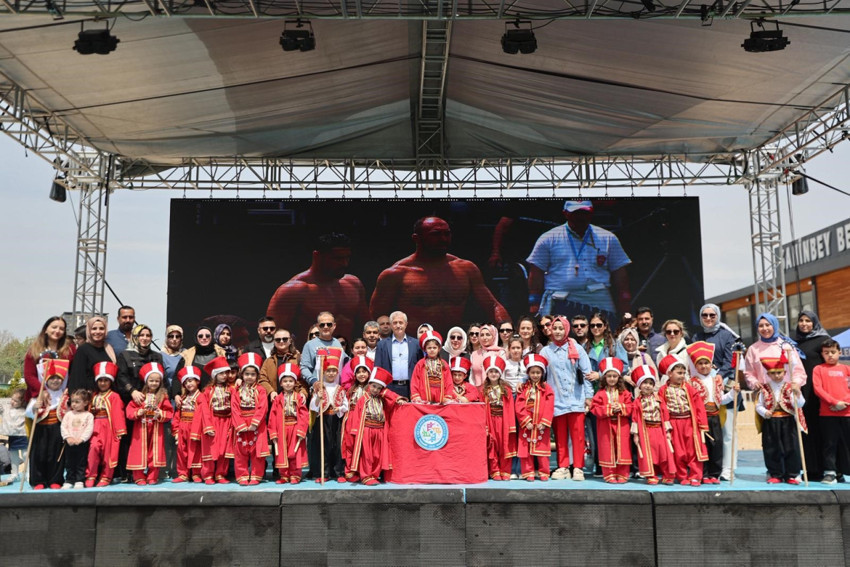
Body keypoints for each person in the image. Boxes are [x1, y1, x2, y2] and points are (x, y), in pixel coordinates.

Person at [370, 216, 510, 333]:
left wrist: (507, 333)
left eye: (447, 234)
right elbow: (376, 319)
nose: (443, 239)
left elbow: (492, 306)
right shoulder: (397, 274)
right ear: (416, 238)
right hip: (414, 348)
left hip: (453, 345)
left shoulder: (466, 269)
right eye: (435, 234)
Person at [527, 200, 631, 320]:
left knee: (604, 335)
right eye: (576, 213)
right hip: (560, 297)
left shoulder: (608, 238)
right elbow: (536, 272)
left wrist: (625, 306)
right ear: (565, 213)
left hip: (598, 296)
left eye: (584, 213)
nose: (580, 217)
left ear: (591, 213)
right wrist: (534, 302)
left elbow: (620, 273)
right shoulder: (548, 238)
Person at [267, 232, 370, 343]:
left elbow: (369, 327)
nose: (344, 264)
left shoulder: (353, 284)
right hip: (309, 358)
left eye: (347, 258)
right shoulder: (294, 290)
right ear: (317, 256)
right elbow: (274, 336)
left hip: (347, 357)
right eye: (338, 258)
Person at [691, 303, 741, 481]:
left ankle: (728, 469)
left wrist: (719, 376)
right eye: (705, 315)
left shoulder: (727, 336)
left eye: (712, 315)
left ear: (718, 316)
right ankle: (708, 469)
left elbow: (730, 361)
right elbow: (693, 361)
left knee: (727, 431)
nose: (709, 318)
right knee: (707, 433)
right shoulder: (697, 336)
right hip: (703, 388)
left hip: (724, 384)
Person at [542, 316, 593, 481]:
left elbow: (587, 375)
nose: (557, 332)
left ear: (566, 329)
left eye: (560, 328)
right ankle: (563, 466)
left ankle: (578, 467)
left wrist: (588, 397)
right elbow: (538, 375)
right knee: (560, 435)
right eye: (555, 328)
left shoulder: (577, 349)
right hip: (556, 401)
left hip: (576, 399)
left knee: (578, 436)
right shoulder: (545, 351)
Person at [687, 342, 738, 484]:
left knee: (716, 446)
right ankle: (703, 474)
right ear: (696, 366)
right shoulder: (691, 383)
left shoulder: (716, 381)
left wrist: (733, 392)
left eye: (706, 363)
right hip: (700, 419)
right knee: (702, 447)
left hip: (714, 417)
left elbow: (721, 400)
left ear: (712, 365)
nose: (704, 366)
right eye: (700, 363)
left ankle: (715, 474)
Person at [658, 354, 708, 486]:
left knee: (693, 450)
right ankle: (682, 476)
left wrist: (701, 424)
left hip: (689, 422)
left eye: (684, 373)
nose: (682, 376)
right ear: (669, 373)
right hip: (674, 423)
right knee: (678, 451)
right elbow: (662, 409)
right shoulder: (663, 391)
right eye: (679, 373)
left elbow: (699, 407)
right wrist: (666, 426)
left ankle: (696, 476)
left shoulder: (689, 388)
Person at [756, 354, 806, 484]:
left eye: (779, 372)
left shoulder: (791, 387)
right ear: (768, 374)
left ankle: (792, 474)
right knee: (772, 448)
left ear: (784, 372)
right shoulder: (764, 388)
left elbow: (800, 405)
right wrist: (764, 412)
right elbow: (758, 405)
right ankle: (775, 474)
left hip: (788, 421)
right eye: (773, 373)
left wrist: (798, 393)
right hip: (771, 422)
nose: (776, 375)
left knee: (792, 447)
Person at [346, 367, 399, 486]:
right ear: (369, 384)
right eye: (374, 386)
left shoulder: (382, 400)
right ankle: (366, 476)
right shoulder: (363, 399)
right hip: (366, 430)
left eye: (379, 388)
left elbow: (392, 401)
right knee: (367, 455)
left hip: (379, 430)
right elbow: (357, 416)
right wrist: (355, 430)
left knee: (377, 455)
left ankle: (374, 475)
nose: (375, 390)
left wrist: (391, 396)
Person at [795, 310, 831, 481]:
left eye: (808, 321)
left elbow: (831, 365)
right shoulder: (795, 342)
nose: (804, 324)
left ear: (815, 322)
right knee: (806, 430)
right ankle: (811, 469)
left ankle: (830, 469)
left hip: (818, 392)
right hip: (802, 392)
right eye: (801, 320)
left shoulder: (824, 341)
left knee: (823, 430)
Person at [125, 362, 172, 485]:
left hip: (156, 429)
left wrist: (160, 413)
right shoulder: (140, 396)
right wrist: (138, 411)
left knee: (154, 452)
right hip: (141, 428)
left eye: (157, 381)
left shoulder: (163, 396)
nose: (154, 383)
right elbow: (129, 411)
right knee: (138, 451)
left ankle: (152, 476)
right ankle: (139, 476)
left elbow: (169, 412)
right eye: (151, 380)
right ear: (146, 381)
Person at [26, 358, 69, 489]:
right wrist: (35, 407)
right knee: (39, 454)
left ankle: (55, 479)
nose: (55, 381)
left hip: (57, 428)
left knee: (56, 455)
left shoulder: (65, 395)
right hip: (41, 429)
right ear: (46, 380)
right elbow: (28, 413)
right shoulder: (40, 394)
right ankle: (38, 481)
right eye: (52, 378)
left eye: (58, 378)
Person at [812, 339, 850, 484]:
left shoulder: (846, 370)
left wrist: (844, 404)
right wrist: (834, 403)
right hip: (827, 414)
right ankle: (830, 472)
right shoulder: (818, 369)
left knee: (846, 443)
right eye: (826, 353)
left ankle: (842, 470)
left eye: (833, 352)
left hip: (847, 413)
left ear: (839, 353)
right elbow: (818, 389)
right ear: (822, 354)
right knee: (829, 443)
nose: (830, 356)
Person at [630, 365, 676, 485]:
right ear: (640, 385)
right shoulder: (637, 401)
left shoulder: (659, 399)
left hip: (659, 430)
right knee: (649, 453)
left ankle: (668, 474)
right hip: (645, 431)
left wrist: (667, 431)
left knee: (664, 452)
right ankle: (651, 475)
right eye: (645, 383)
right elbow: (634, 418)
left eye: (651, 383)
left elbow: (665, 414)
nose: (648, 385)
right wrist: (636, 435)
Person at [590, 358, 633, 484]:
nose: (612, 379)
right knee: (606, 448)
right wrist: (608, 409)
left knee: (623, 448)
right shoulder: (600, 393)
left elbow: (631, 407)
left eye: (614, 376)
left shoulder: (624, 393)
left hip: (621, 424)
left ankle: (622, 473)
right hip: (605, 424)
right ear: (604, 378)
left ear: (619, 377)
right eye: (609, 376)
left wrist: (621, 407)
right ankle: (609, 474)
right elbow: (594, 408)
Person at [84, 362, 126, 487]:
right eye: (100, 380)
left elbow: (118, 414)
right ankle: (91, 475)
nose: (103, 383)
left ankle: (106, 476)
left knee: (109, 452)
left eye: (106, 380)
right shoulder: (93, 395)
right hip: (95, 425)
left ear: (110, 382)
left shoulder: (114, 396)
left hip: (109, 426)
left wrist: (119, 431)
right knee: (93, 448)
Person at [308, 351, 348, 483]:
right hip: (323, 420)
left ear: (337, 373)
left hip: (336, 420)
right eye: (328, 371)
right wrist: (318, 399)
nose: (331, 373)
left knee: (337, 446)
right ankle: (323, 473)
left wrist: (340, 409)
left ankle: (338, 472)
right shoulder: (320, 388)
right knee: (323, 445)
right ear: (323, 372)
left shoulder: (341, 389)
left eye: (333, 371)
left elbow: (345, 405)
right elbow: (313, 406)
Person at [231, 353, 270, 485]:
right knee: (240, 451)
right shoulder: (237, 390)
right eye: (247, 374)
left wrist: (255, 423)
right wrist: (240, 424)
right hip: (241, 422)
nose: (249, 377)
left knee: (256, 451)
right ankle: (242, 475)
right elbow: (234, 408)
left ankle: (256, 476)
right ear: (242, 375)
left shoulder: (261, 390)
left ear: (257, 376)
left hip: (256, 424)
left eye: (253, 374)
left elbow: (262, 407)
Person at [268, 363, 309, 484]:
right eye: (285, 381)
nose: (288, 383)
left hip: (295, 427)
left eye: (290, 381)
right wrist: (273, 432)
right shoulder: (278, 399)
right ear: (281, 383)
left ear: (295, 382)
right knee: (282, 452)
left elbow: (304, 414)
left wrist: (301, 430)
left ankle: (295, 475)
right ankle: (284, 475)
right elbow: (272, 416)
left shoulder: (299, 397)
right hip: (282, 428)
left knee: (294, 452)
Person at [516, 354, 554, 482]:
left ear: (542, 373)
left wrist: (545, 421)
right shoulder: (523, 389)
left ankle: (544, 471)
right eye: (533, 372)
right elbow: (519, 405)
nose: (535, 375)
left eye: (538, 372)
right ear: (528, 373)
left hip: (540, 424)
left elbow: (549, 406)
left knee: (542, 448)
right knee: (525, 449)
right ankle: (528, 472)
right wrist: (525, 421)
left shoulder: (546, 388)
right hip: (527, 424)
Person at [744, 313, 807, 391]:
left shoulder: (786, 346)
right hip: (764, 395)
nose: (764, 328)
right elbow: (749, 373)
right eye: (761, 326)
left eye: (768, 325)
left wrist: (796, 383)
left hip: (787, 393)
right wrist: (754, 382)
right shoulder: (753, 349)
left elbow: (798, 370)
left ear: (774, 325)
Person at [199, 357, 236, 484]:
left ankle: (221, 474)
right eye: (221, 373)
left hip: (226, 421)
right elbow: (204, 409)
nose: (224, 376)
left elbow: (235, 406)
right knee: (210, 448)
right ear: (215, 375)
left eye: (226, 373)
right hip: (213, 420)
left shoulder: (231, 390)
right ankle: (208, 475)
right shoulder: (207, 391)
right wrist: (208, 426)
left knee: (224, 449)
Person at [480, 355, 517, 481]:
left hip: (503, 420)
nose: (494, 374)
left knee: (504, 444)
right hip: (490, 420)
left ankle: (505, 470)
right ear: (487, 373)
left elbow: (510, 407)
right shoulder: (482, 390)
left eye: (496, 371)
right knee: (492, 444)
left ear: (500, 373)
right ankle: (494, 470)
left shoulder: (506, 389)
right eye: (491, 371)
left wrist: (511, 424)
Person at [24, 316, 77, 402]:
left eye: (61, 329)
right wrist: (42, 391)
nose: (57, 331)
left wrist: (68, 390)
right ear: (45, 329)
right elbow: (29, 376)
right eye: (54, 327)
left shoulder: (70, 349)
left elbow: (74, 373)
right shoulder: (34, 350)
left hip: (63, 397)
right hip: (39, 398)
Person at [374, 311, 422, 398]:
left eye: (401, 322)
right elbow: (378, 368)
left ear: (406, 324)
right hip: (389, 387)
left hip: (410, 388)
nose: (398, 325)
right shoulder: (382, 344)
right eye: (395, 323)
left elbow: (420, 367)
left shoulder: (415, 344)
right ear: (391, 325)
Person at [341, 356, 374, 481]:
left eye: (364, 371)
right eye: (358, 372)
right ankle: (350, 471)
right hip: (350, 419)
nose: (361, 374)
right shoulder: (351, 389)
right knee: (350, 445)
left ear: (369, 373)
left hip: (364, 420)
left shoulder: (372, 389)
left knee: (364, 446)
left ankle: (364, 472)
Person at [170, 327, 227, 399]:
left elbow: (229, 374)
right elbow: (177, 377)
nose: (204, 338)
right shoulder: (187, 355)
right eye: (200, 336)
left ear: (212, 337)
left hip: (217, 397)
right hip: (192, 399)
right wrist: (176, 394)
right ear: (196, 338)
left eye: (207, 336)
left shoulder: (221, 352)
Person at [171, 366, 203, 484]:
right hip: (183, 427)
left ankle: (196, 473)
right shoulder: (183, 398)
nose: (188, 384)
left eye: (190, 381)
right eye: (185, 382)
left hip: (195, 427)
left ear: (197, 381)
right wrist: (176, 430)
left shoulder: (201, 397)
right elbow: (177, 415)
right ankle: (183, 473)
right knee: (181, 451)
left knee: (196, 451)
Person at [68, 316, 116, 393]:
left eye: (101, 328)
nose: (98, 332)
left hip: (106, 396)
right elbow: (77, 377)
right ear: (88, 331)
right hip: (88, 395)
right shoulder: (83, 350)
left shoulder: (108, 348)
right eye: (94, 329)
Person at [299, 312, 345, 392]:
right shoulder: (309, 345)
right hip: (318, 391)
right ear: (317, 326)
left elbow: (345, 364)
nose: (326, 327)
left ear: (334, 326)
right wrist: (314, 381)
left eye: (329, 324)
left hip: (336, 390)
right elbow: (304, 368)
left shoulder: (337, 343)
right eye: (322, 325)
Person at [61, 389, 93, 489]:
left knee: (81, 463)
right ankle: (69, 480)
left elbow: (89, 429)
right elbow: (63, 427)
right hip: (70, 443)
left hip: (81, 443)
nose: (74, 404)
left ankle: (79, 480)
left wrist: (82, 439)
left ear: (86, 403)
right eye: (72, 401)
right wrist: (68, 437)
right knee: (69, 462)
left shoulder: (88, 415)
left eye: (77, 402)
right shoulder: (68, 414)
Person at [410, 331, 454, 404]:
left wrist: (448, 396)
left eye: (434, 347)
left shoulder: (444, 364)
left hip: (441, 398)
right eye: (429, 348)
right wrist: (416, 396)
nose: (432, 350)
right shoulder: (420, 364)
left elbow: (448, 381)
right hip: (424, 398)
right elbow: (415, 381)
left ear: (439, 349)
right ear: (425, 349)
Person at [258, 328, 301, 400]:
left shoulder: (299, 359)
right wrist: (270, 391)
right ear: (274, 342)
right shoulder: (268, 361)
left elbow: (303, 380)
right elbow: (262, 379)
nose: (281, 341)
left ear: (290, 340)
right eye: (278, 340)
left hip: (295, 401)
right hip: (274, 402)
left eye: (285, 339)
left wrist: (303, 393)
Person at [0, 389, 27, 483]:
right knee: (13, 455)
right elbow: (1, 409)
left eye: (16, 401)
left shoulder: (25, 410)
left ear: (23, 402)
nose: (12, 402)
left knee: (25, 454)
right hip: (12, 436)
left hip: (23, 435)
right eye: (12, 399)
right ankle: (14, 473)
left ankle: (28, 473)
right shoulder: (7, 409)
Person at [160, 325, 185, 389]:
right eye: (171, 336)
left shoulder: (186, 353)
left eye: (177, 336)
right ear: (166, 338)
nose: (174, 339)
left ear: (181, 338)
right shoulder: (161, 356)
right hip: (168, 392)